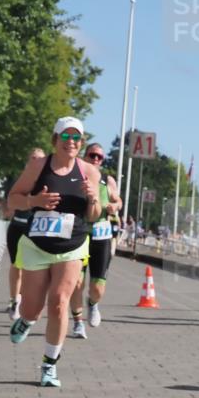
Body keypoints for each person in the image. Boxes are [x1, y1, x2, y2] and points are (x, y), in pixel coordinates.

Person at [6, 117, 102, 388]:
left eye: (77, 138)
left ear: (81, 143)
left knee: (59, 301)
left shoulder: (90, 172)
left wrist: (93, 198)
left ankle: (49, 366)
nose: (71, 142)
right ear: (55, 139)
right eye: (66, 136)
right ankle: (26, 320)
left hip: (71, 246)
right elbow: (13, 198)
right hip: (38, 245)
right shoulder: (38, 166)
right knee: (32, 307)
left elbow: (94, 216)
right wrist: (34, 201)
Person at [68, 142, 123, 337]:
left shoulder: (107, 180)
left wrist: (114, 207)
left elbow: (118, 200)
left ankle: (92, 304)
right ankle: (77, 322)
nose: (96, 160)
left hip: (101, 235)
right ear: (85, 156)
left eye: (100, 157)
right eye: (92, 155)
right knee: (76, 282)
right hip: (80, 235)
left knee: (97, 287)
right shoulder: (75, 176)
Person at [5, 148, 45, 320]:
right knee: (16, 266)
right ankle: (15, 301)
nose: (36, 161)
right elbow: (10, 204)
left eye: (39, 159)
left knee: (33, 271)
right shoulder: (21, 180)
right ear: (28, 161)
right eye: (33, 158)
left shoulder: (47, 182)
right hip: (17, 227)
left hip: (36, 230)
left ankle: (28, 303)